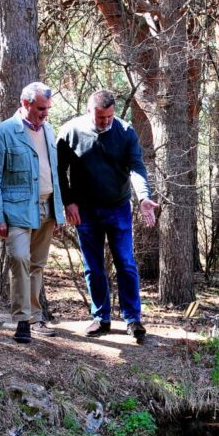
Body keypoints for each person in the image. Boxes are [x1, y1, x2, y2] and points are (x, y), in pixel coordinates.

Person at [56, 89, 159, 344]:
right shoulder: (70, 131)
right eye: (101, 117)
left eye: (110, 116)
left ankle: (133, 319)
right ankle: (100, 317)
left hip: (118, 207)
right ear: (89, 111)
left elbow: (136, 167)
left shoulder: (125, 132)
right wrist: (68, 202)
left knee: (125, 262)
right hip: (85, 210)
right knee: (93, 266)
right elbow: (59, 171)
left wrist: (143, 197)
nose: (106, 121)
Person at [0, 82, 66, 344]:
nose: (45, 114)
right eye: (41, 108)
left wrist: (59, 212)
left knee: (37, 265)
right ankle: (21, 320)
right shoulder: (5, 132)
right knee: (19, 258)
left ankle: (35, 316)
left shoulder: (49, 130)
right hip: (16, 209)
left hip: (47, 208)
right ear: (26, 103)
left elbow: (54, 172)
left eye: (48, 109)